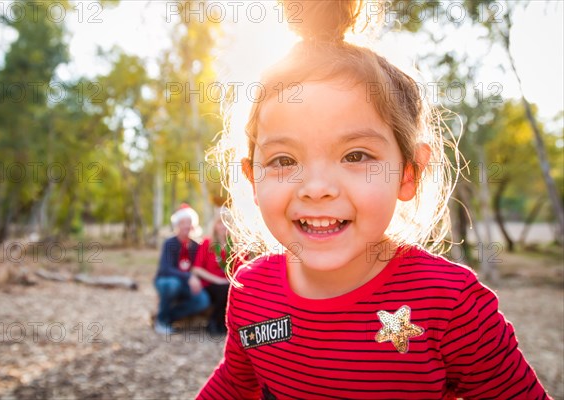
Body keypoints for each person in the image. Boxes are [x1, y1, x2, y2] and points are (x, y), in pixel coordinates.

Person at [197, 1, 551, 399]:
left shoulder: (451, 305)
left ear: (408, 172)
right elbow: (234, 383)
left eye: (356, 155)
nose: (316, 188)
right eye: (284, 160)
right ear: (253, 179)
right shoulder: (251, 291)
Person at [153, 204, 210, 335]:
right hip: (166, 281)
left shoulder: (196, 246)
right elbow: (165, 269)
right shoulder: (169, 243)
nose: (186, 226)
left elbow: (198, 267)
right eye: (183, 222)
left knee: (203, 300)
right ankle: (162, 321)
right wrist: (188, 277)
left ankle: (168, 317)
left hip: (186, 284)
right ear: (177, 225)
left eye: (189, 222)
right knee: (172, 284)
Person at [191, 208, 235, 335]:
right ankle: (214, 323)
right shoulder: (207, 243)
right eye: (220, 223)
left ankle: (225, 325)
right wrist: (218, 280)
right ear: (215, 225)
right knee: (223, 290)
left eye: (227, 223)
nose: (223, 227)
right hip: (210, 283)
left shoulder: (234, 245)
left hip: (228, 282)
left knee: (229, 289)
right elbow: (197, 269)